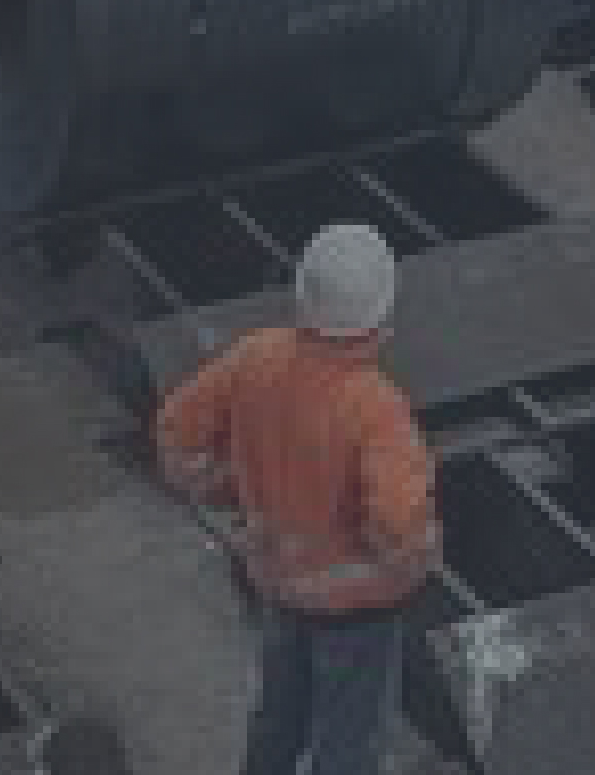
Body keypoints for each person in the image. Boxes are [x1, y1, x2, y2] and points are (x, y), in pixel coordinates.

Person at [154, 222, 439, 775]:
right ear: (382, 316)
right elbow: (394, 523)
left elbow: (177, 430)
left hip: (278, 584)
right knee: (349, 740)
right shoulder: (375, 407)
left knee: (279, 717)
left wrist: (217, 487)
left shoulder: (256, 358)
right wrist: (413, 561)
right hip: (358, 612)